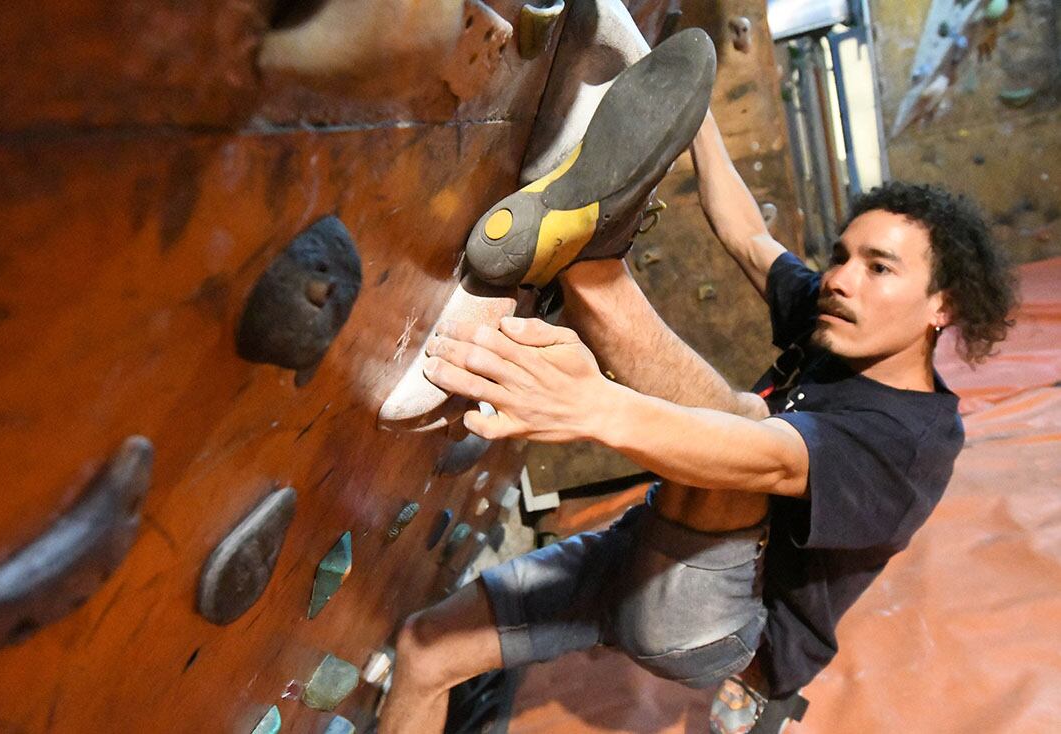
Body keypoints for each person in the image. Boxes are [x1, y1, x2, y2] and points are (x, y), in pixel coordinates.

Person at [378, 109, 1016, 733]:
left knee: (747, 424)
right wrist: (696, 115)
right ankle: (577, 235)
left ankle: (584, 244)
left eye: (878, 267)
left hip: (724, 623)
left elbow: (765, 457)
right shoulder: (837, 323)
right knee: (423, 648)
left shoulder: (910, 443)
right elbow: (746, 233)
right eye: (840, 256)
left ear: (943, 305)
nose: (839, 280)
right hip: (646, 544)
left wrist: (595, 405)